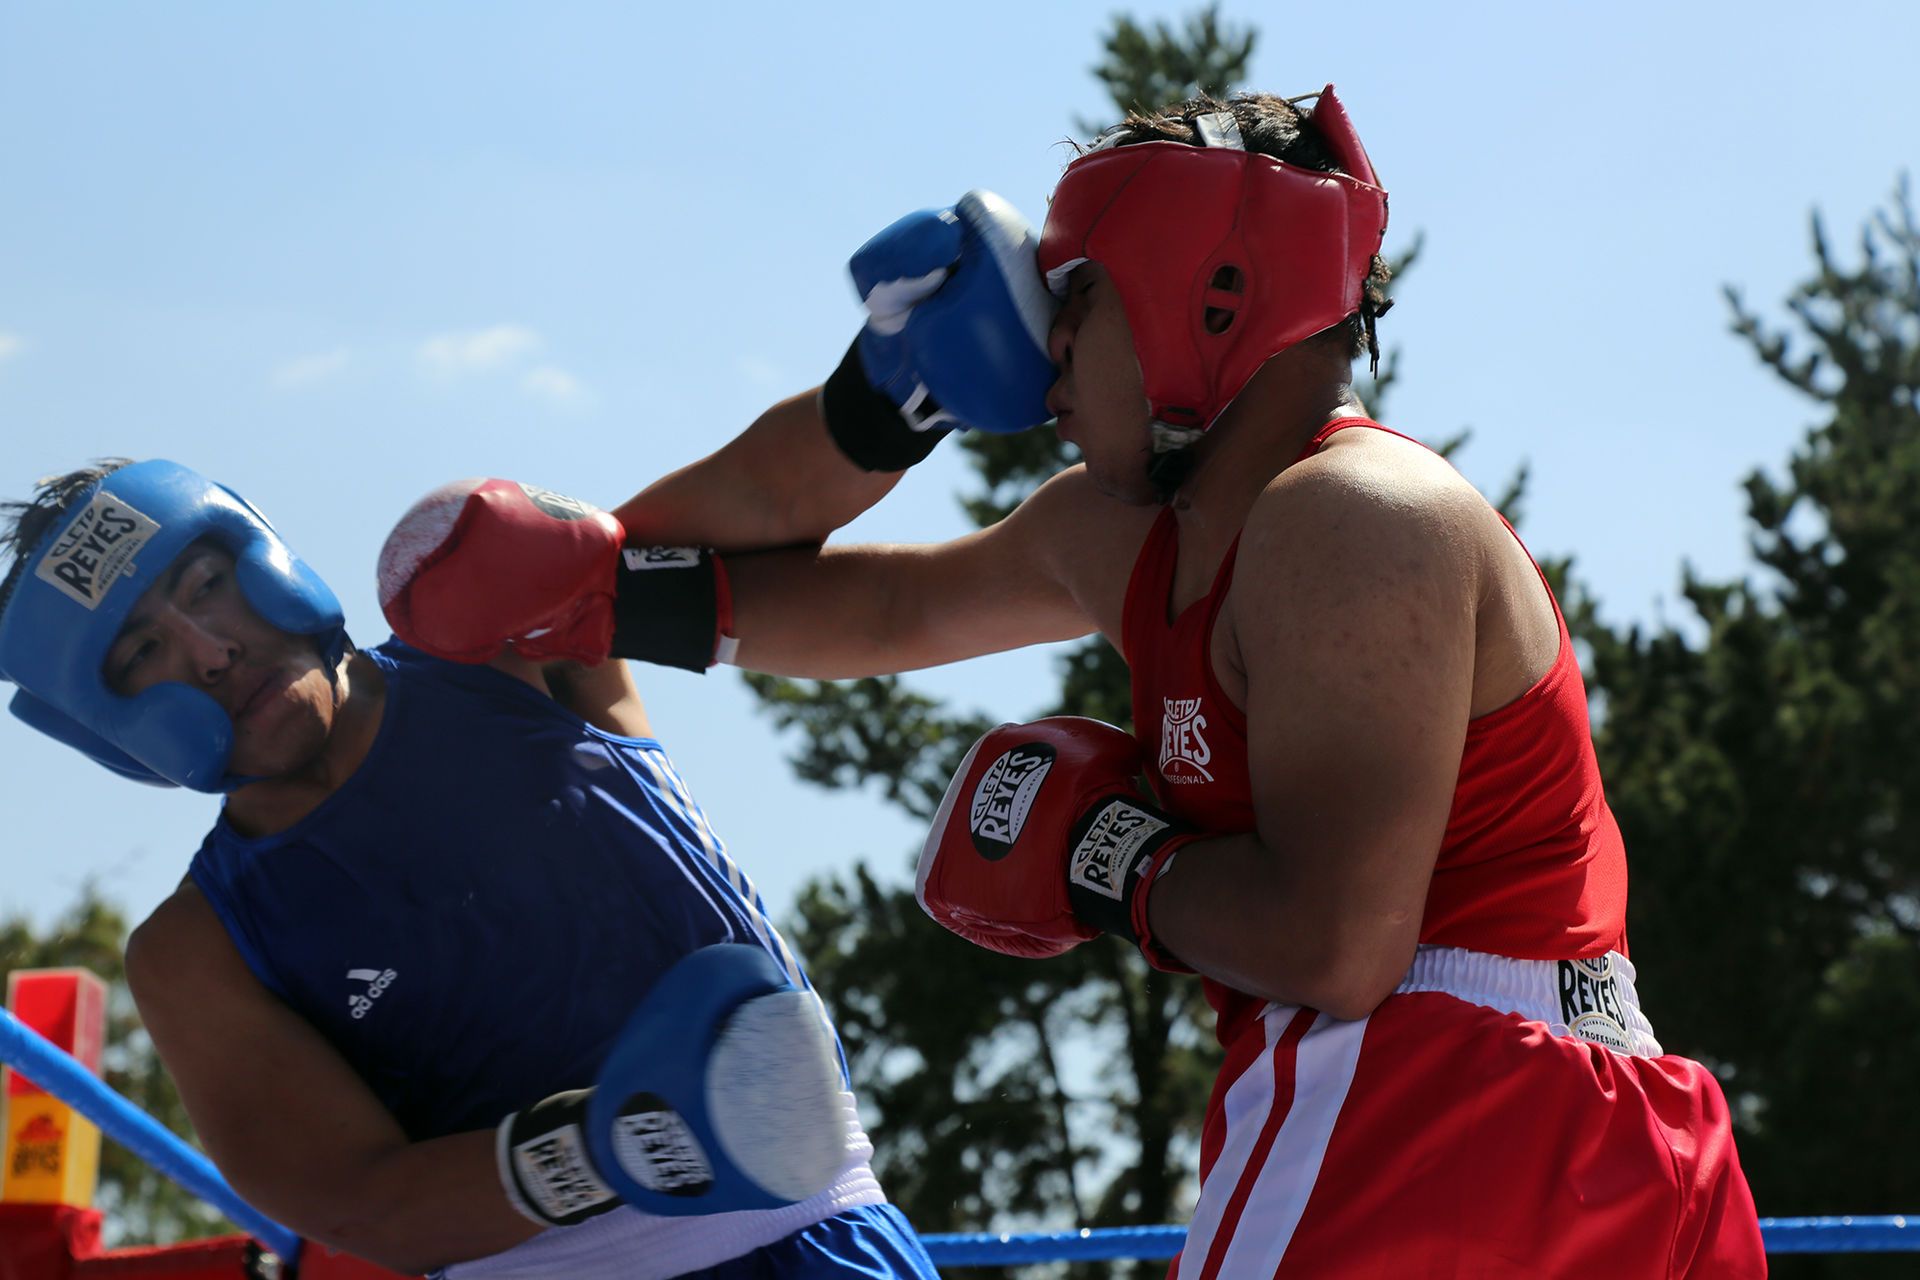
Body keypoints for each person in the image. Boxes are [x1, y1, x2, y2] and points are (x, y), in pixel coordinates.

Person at [599, 88, 1771, 1276]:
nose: (1047, 346)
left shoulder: (1350, 514)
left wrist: (1104, 856)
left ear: (1205, 292)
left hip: (1432, 1086)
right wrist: (868, 414)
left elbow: (1337, 946)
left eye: (1082, 298)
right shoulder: (1123, 532)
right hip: (1610, 1140)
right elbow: (869, 606)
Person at [0, 453, 939, 1280]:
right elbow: (362, 1205)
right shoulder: (196, 951)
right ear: (103, 725)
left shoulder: (500, 639)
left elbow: (768, 499)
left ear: (256, 549)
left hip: (833, 1233)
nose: (211, 652)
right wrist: (613, 1145)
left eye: (204, 585)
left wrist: (889, 398)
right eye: (141, 652)